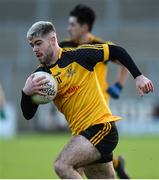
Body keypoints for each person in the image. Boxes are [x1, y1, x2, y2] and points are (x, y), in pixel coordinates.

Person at [21, 21, 154, 179]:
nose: (35, 49)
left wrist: (138, 76)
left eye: (38, 43)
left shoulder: (79, 56)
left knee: (62, 165)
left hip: (101, 128)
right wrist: (26, 93)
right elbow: (28, 114)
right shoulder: (40, 77)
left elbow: (117, 51)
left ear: (52, 40)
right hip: (82, 136)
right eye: (32, 45)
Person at [59, 4, 129, 178]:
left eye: (72, 24)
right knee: (90, 152)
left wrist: (119, 85)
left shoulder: (100, 46)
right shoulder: (65, 47)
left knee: (80, 156)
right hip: (77, 104)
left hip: (99, 104)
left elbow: (124, 62)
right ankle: (117, 165)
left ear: (85, 27)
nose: (68, 28)